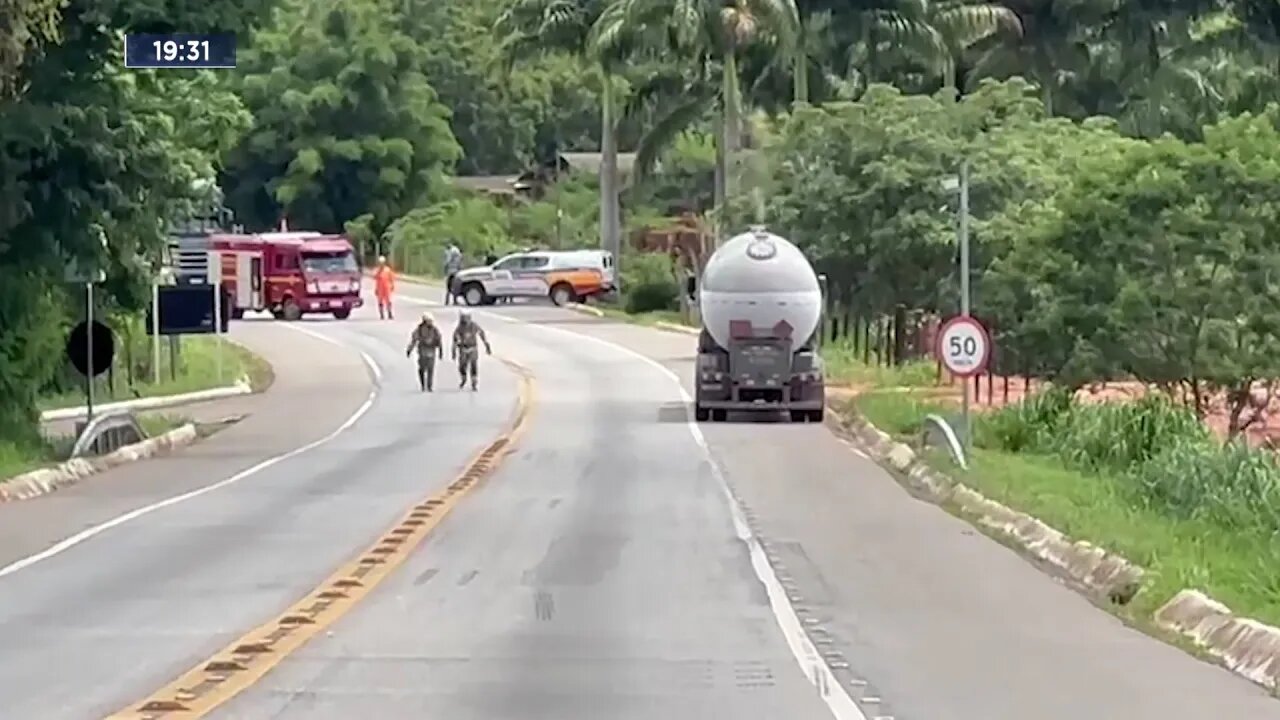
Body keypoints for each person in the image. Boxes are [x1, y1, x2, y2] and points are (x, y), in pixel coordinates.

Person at [451, 311, 491, 390]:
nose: (465, 321)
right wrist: (453, 351)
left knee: (474, 366)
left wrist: (487, 346)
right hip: (463, 349)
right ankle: (463, 378)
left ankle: (474, 382)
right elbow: (455, 340)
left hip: (473, 348)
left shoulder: (474, 326)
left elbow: (481, 334)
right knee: (462, 366)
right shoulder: (459, 328)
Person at [405, 312, 444, 391]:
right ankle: (423, 385)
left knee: (430, 369)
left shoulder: (435, 330)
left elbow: (439, 340)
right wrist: (409, 349)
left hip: (431, 351)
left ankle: (429, 386)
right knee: (422, 369)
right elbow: (414, 340)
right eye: (428, 321)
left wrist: (441, 352)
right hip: (422, 352)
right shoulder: (419, 329)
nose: (430, 322)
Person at [373, 255, 396, 319]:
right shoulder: (377, 270)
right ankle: (381, 314)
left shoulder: (387, 270)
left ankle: (389, 314)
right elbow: (375, 278)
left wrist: (392, 285)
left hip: (387, 288)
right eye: (380, 263)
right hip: (380, 288)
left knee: (388, 301)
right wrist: (376, 289)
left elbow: (391, 278)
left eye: (382, 263)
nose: (381, 264)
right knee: (380, 302)